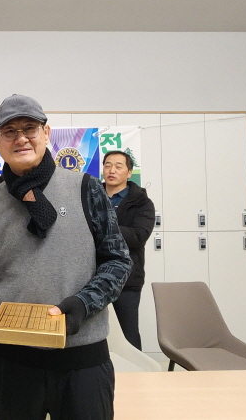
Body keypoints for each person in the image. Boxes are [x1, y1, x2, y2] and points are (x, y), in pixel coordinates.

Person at [0, 95, 132, 420]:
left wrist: (84, 303)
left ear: (46, 133)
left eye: (29, 128)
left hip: (81, 356)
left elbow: (118, 261)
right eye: (9, 131)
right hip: (12, 361)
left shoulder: (86, 188)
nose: (21, 138)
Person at [102, 150, 155, 351]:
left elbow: (138, 236)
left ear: (129, 172)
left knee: (128, 334)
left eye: (118, 166)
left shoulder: (142, 202)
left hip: (127, 279)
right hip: (92, 277)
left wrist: (104, 226)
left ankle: (135, 370)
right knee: (93, 335)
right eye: (107, 165)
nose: (112, 170)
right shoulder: (91, 196)